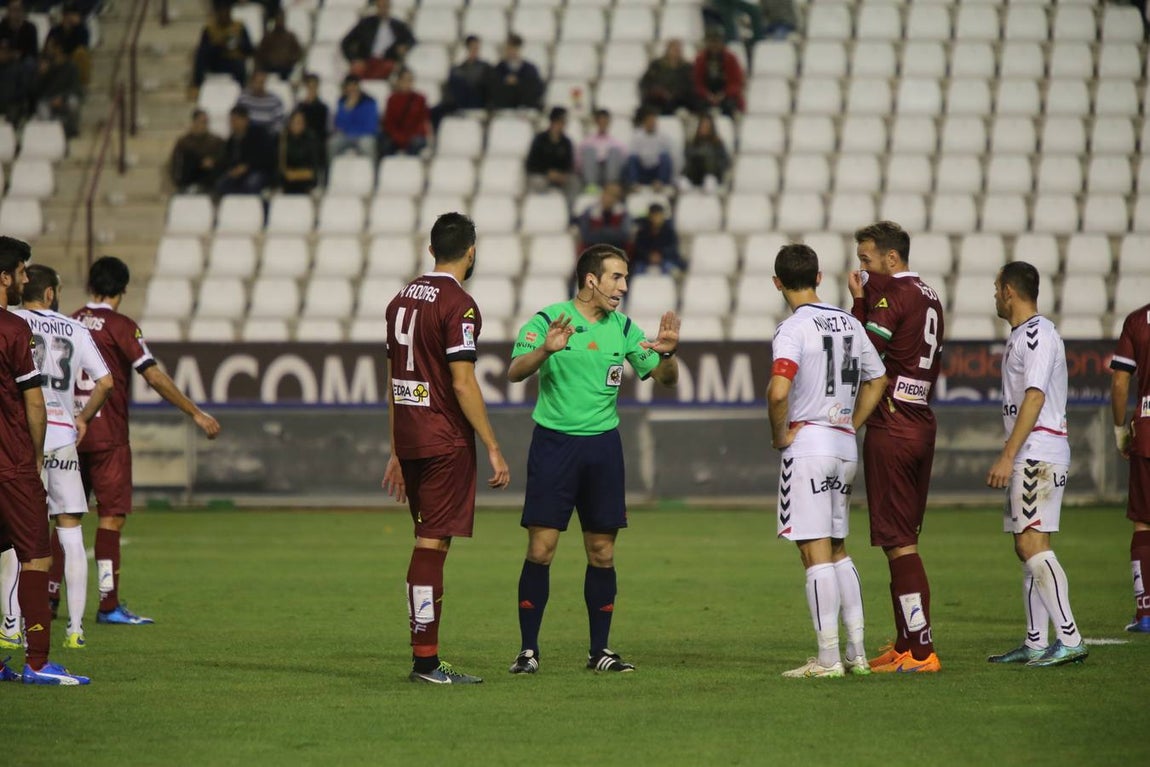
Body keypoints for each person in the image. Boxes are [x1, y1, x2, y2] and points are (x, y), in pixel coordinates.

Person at [507, 244, 680, 675]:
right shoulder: (549, 320)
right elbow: (514, 371)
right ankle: (528, 651)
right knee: (541, 549)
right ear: (591, 280)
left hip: (602, 448)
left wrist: (668, 353)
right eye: (616, 277)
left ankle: (599, 651)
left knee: (602, 552)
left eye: (625, 278)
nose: (623, 287)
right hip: (554, 445)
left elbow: (665, 379)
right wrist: (546, 350)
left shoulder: (623, 327)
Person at [382, 212, 511, 684]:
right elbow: (462, 382)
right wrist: (492, 446)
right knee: (432, 543)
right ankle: (426, 661)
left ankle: (426, 657)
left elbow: (395, 382)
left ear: (432, 248)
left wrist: (396, 448)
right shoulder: (460, 305)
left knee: (430, 539)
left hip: (413, 438)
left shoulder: (399, 300)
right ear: (471, 252)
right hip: (444, 439)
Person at [69, 256, 221, 626]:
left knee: (65, 517)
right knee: (110, 518)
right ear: (123, 288)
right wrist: (195, 412)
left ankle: (50, 597)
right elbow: (152, 376)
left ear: (90, 285)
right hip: (108, 437)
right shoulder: (121, 326)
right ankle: (108, 605)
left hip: (69, 433)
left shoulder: (68, 321)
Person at [768, 243, 887, 678]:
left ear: (777, 283)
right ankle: (856, 653)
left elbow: (778, 391)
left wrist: (779, 435)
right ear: (819, 278)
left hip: (809, 445)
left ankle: (828, 658)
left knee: (813, 550)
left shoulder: (792, 329)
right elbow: (878, 378)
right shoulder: (850, 322)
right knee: (838, 548)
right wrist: (851, 424)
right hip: (842, 444)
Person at [847, 221, 945, 673]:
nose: (863, 269)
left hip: (893, 426)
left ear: (891, 258)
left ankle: (921, 650)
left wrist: (859, 302)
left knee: (901, 544)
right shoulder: (929, 295)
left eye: (866, 260)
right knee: (900, 541)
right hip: (919, 421)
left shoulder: (892, 296)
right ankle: (907, 642)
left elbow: (864, 352)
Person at [4, 265, 112, 651]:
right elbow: (106, 381)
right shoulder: (75, 328)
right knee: (70, 531)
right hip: (63, 437)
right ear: (50, 293)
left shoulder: (11, 322)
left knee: (14, 537)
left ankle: (11, 626)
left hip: (21, 439)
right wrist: (83, 418)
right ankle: (76, 629)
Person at [985, 261, 1087, 667]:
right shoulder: (1021, 335)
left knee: (1032, 544)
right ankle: (1035, 641)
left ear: (1009, 291)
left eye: (997, 288)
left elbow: (1035, 396)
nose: (995, 295)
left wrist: (1009, 454)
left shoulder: (1037, 334)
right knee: (1026, 544)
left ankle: (1070, 638)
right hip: (1034, 449)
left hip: (1038, 451)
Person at [0, 237, 89, 684]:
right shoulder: (13, 330)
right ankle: (37, 661)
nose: (24, 279)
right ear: (4, 277)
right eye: (20, 271)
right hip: (12, 461)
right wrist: (35, 454)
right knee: (36, 556)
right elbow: (33, 401)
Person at [1109, 303, 1150, 633]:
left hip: (1147, 432)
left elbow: (1120, 381)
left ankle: (1145, 612)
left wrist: (1120, 429)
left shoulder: (1138, 320)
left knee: (1144, 522)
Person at [340, 0, 415, 82]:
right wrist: (353, 59)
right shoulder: (366, 23)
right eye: (381, 6)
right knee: (354, 72)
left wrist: (405, 46)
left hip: (387, 61)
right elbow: (345, 42)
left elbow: (411, 40)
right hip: (367, 61)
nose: (383, 9)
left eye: (385, 6)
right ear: (377, 7)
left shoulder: (397, 25)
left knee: (400, 71)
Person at [215, 105, 276, 197]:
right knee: (222, 184)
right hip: (239, 174)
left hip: (259, 171)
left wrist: (247, 167)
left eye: (235, 120)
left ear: (245, 120)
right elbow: (228, 160)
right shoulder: (231, 141)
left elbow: (267, 158)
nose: (233, 123)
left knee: (252, 182)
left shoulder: (259, 134)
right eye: (231, 120)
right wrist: (232, 170)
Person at [192, 2, 253, 88]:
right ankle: (197, 84)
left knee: (239, 65)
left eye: (226, 12)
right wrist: (219, 44)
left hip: (234, 61)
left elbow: (249, 49)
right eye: (221, 12)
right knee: (199, 55)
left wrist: (239, 43)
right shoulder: (209, 29)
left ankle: (242, 87)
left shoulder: (239, 27)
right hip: (216, 61)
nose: (224, 15)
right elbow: (204, 51)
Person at [432, 34, 489, 127]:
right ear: (467, 49)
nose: (475, 50)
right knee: (434, 111)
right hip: (459, 101)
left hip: (476, 100)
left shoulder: (485, 67)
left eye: (477, 48)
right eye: (472, 47)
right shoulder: (458, 69)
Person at [525, 106, 579, 203]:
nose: (561, 125)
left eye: (563, 122)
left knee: (574, 182)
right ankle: (543, 206)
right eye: (558, 122)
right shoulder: (540, 139)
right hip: (542, 176)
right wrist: (547, 173)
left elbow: (569, 164)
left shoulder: (566, 142)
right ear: (552, 122)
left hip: (560, 178)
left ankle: (569, 209)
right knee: (538, 182)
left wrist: (561, 175)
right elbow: (531, 164)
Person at [33, 37, 83, 137]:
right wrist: (41, 75)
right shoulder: (46, 65)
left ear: (58, 49)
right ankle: (50, 134)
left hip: (64, 98)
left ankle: (71, 130)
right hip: (48, 100)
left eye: (51, 47)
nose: (48, 50)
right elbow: (36, 91)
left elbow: (75, 87)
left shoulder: (71, 66)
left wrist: (62, 98)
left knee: (74, 102)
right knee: (42, 108)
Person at [0, 1, 40, 123]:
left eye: (18, 10)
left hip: (24, 62)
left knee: (28, 66)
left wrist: (15, 55)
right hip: (5, 61)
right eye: (12, 10)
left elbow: (32, 52)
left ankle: (20, 103)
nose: (15, 13)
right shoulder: (2, 27)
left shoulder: (30, 28)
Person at [170, 109, 226, 193]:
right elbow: (176, 163)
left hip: (209, 177)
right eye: (202, 122)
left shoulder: (216, 141)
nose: (204, 125)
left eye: (206, 122)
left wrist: (213, 161)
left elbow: (223, 157)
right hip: (189, 178)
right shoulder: (184, 142)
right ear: (194, 122)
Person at [693, 27, 746, 116]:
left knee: (730, 105)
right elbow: (697, 82)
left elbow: (736, 83)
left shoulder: (731, 59)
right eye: (711, 42)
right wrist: (707, 95)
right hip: (706, 95)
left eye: (717, 42)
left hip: (727, 95)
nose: (714, 45)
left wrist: (723, 94)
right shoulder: (700, 59)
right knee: (698, 105)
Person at [486, 34, 543, 112]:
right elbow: (492, 89)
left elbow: (536, 88)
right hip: (503, 108)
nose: (512, 51)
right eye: (510, 48)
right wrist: (505, 81)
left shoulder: (530, 69)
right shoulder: (499, 68)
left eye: (515, 48)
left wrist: (518, 82)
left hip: (524, 108)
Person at [380, 67, 430, 157]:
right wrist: (398, 137)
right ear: (398, 81)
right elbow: (388, 123)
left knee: (417, 142)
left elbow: (422, 122)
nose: (407, 83)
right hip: (396, 136)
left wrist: (408, 137)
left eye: (410, 80)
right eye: (404, 80)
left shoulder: (420, 99)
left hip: (414, 136)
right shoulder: (392, 99)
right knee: (384, 142)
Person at [328, 74, 379, 160]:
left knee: (367, 144)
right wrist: (347, 110)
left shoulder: (369, 102)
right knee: (333, 143)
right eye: (349, 86)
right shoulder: (342, 102)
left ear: (358, 87)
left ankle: (373, 168)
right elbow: (339, 125)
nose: (352, 89)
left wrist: (353, 131)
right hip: (346, 136)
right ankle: (330, 168)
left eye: (354, 86)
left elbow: (371, 126)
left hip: (364, 136)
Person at [639, 40, 695, 115]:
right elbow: (646, 82)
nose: (676, 52)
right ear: (668, 50)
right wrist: (659, 91)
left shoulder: (687, 67)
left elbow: (690, 84)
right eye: (674, 49)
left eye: (678, 50)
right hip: (660, 99)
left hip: (680, 99)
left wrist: (676, 94)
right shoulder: (657, 65)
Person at [624, 107, 674, 190]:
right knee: (632, 158)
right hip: (642, 171)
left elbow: (668, 160)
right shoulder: (636, 136)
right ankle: (634, 184)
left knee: (665, 157)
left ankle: (660, 183)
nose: (651, 123)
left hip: (656, 172)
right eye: (649, 121)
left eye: (653, 121)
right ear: (644, 122)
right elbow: (631, 157)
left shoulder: (663, 137)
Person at [577, 109, 627, 192]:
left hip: (609, 172)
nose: (603, 124)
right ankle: (591, 186)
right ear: (596, 122)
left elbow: (622, 161)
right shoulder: (587, 141)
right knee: (588, 150)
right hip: (593, 171)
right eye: (601, 121)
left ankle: (610, 185)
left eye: (605, 121)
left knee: (615, 150)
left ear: (608, 122)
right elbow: (579, 162)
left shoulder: (616, 143)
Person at [680, 113, 729, 192]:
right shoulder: (692, 143)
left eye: (707, 126)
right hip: (694, 175)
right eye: (702, 126)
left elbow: (725, 162)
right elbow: (687, 159)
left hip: (712, 175)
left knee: (708, 154)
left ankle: (709, 180)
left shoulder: (717, 144)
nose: (704, 128)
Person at [576, 183, 631, 253]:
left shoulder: (624, 213)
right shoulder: (589, 212)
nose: (611, 198)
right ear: (603, 193)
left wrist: (599, 232)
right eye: (609, 194)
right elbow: (586, 236)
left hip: (616, 252)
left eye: (615, 196)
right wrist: (611, 233)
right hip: (592, 251)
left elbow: (624, 236)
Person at [46, 2, 91, 86]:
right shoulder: (55, 30)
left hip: (73, 60)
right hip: (57, 60)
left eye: (72, 14)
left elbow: (82, 47)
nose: (69, 17)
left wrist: (76, 27)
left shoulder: (82, 30)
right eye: (67, 15)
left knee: (81, 53)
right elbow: (48, 48)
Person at [632, 203, 683, 275]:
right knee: (637, 269)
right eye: (654, 216)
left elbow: (673, 248)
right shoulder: (643, 231)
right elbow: (639, 248)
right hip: (645, 260)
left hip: (665, 259)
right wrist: (649, 255)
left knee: (670, 268)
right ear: (649, 216)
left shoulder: (669, 231)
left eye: (659, 216)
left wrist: (661, 255)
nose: (656, 219)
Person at [279, 109, 321, 194]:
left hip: (306, 182)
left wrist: (296, 175)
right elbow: (280, 166)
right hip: (287, 182)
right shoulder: (283, 139)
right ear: (290, 123)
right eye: (295, 122)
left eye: (301, 122)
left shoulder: (311, 138)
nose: (298, 125)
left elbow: (314, 166)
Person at [254, 11, 302, 81]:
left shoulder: (290, 37)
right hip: (269, 67)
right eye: (278, 19)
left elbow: (298, 53)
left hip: (286, 68)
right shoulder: (268, 37)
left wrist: (289, 60)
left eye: (281, 19)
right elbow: (260, 53)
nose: (280, 22)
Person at [236, 68, 285, 136]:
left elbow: (279, 123)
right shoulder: (243, 99)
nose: (259, 85)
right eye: (257, 82)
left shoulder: (275, 101)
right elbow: (238, 118)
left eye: (262, 82)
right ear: (251, 81)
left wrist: (270, 135)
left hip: (268, 137)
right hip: (247, 136)